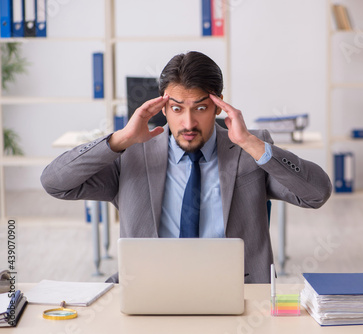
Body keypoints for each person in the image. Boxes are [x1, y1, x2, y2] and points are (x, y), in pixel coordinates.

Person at [41, 51, 332, 283]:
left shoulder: (248, 151)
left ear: (219, 106)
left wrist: (251, 144)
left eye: (201, 108)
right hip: (149, 287)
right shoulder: (131, 155)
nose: (188, 123)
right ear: (162, 108)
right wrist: (121, 139)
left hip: (235, 291)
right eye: (177, 109)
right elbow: (54, 182)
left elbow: (316, 193)